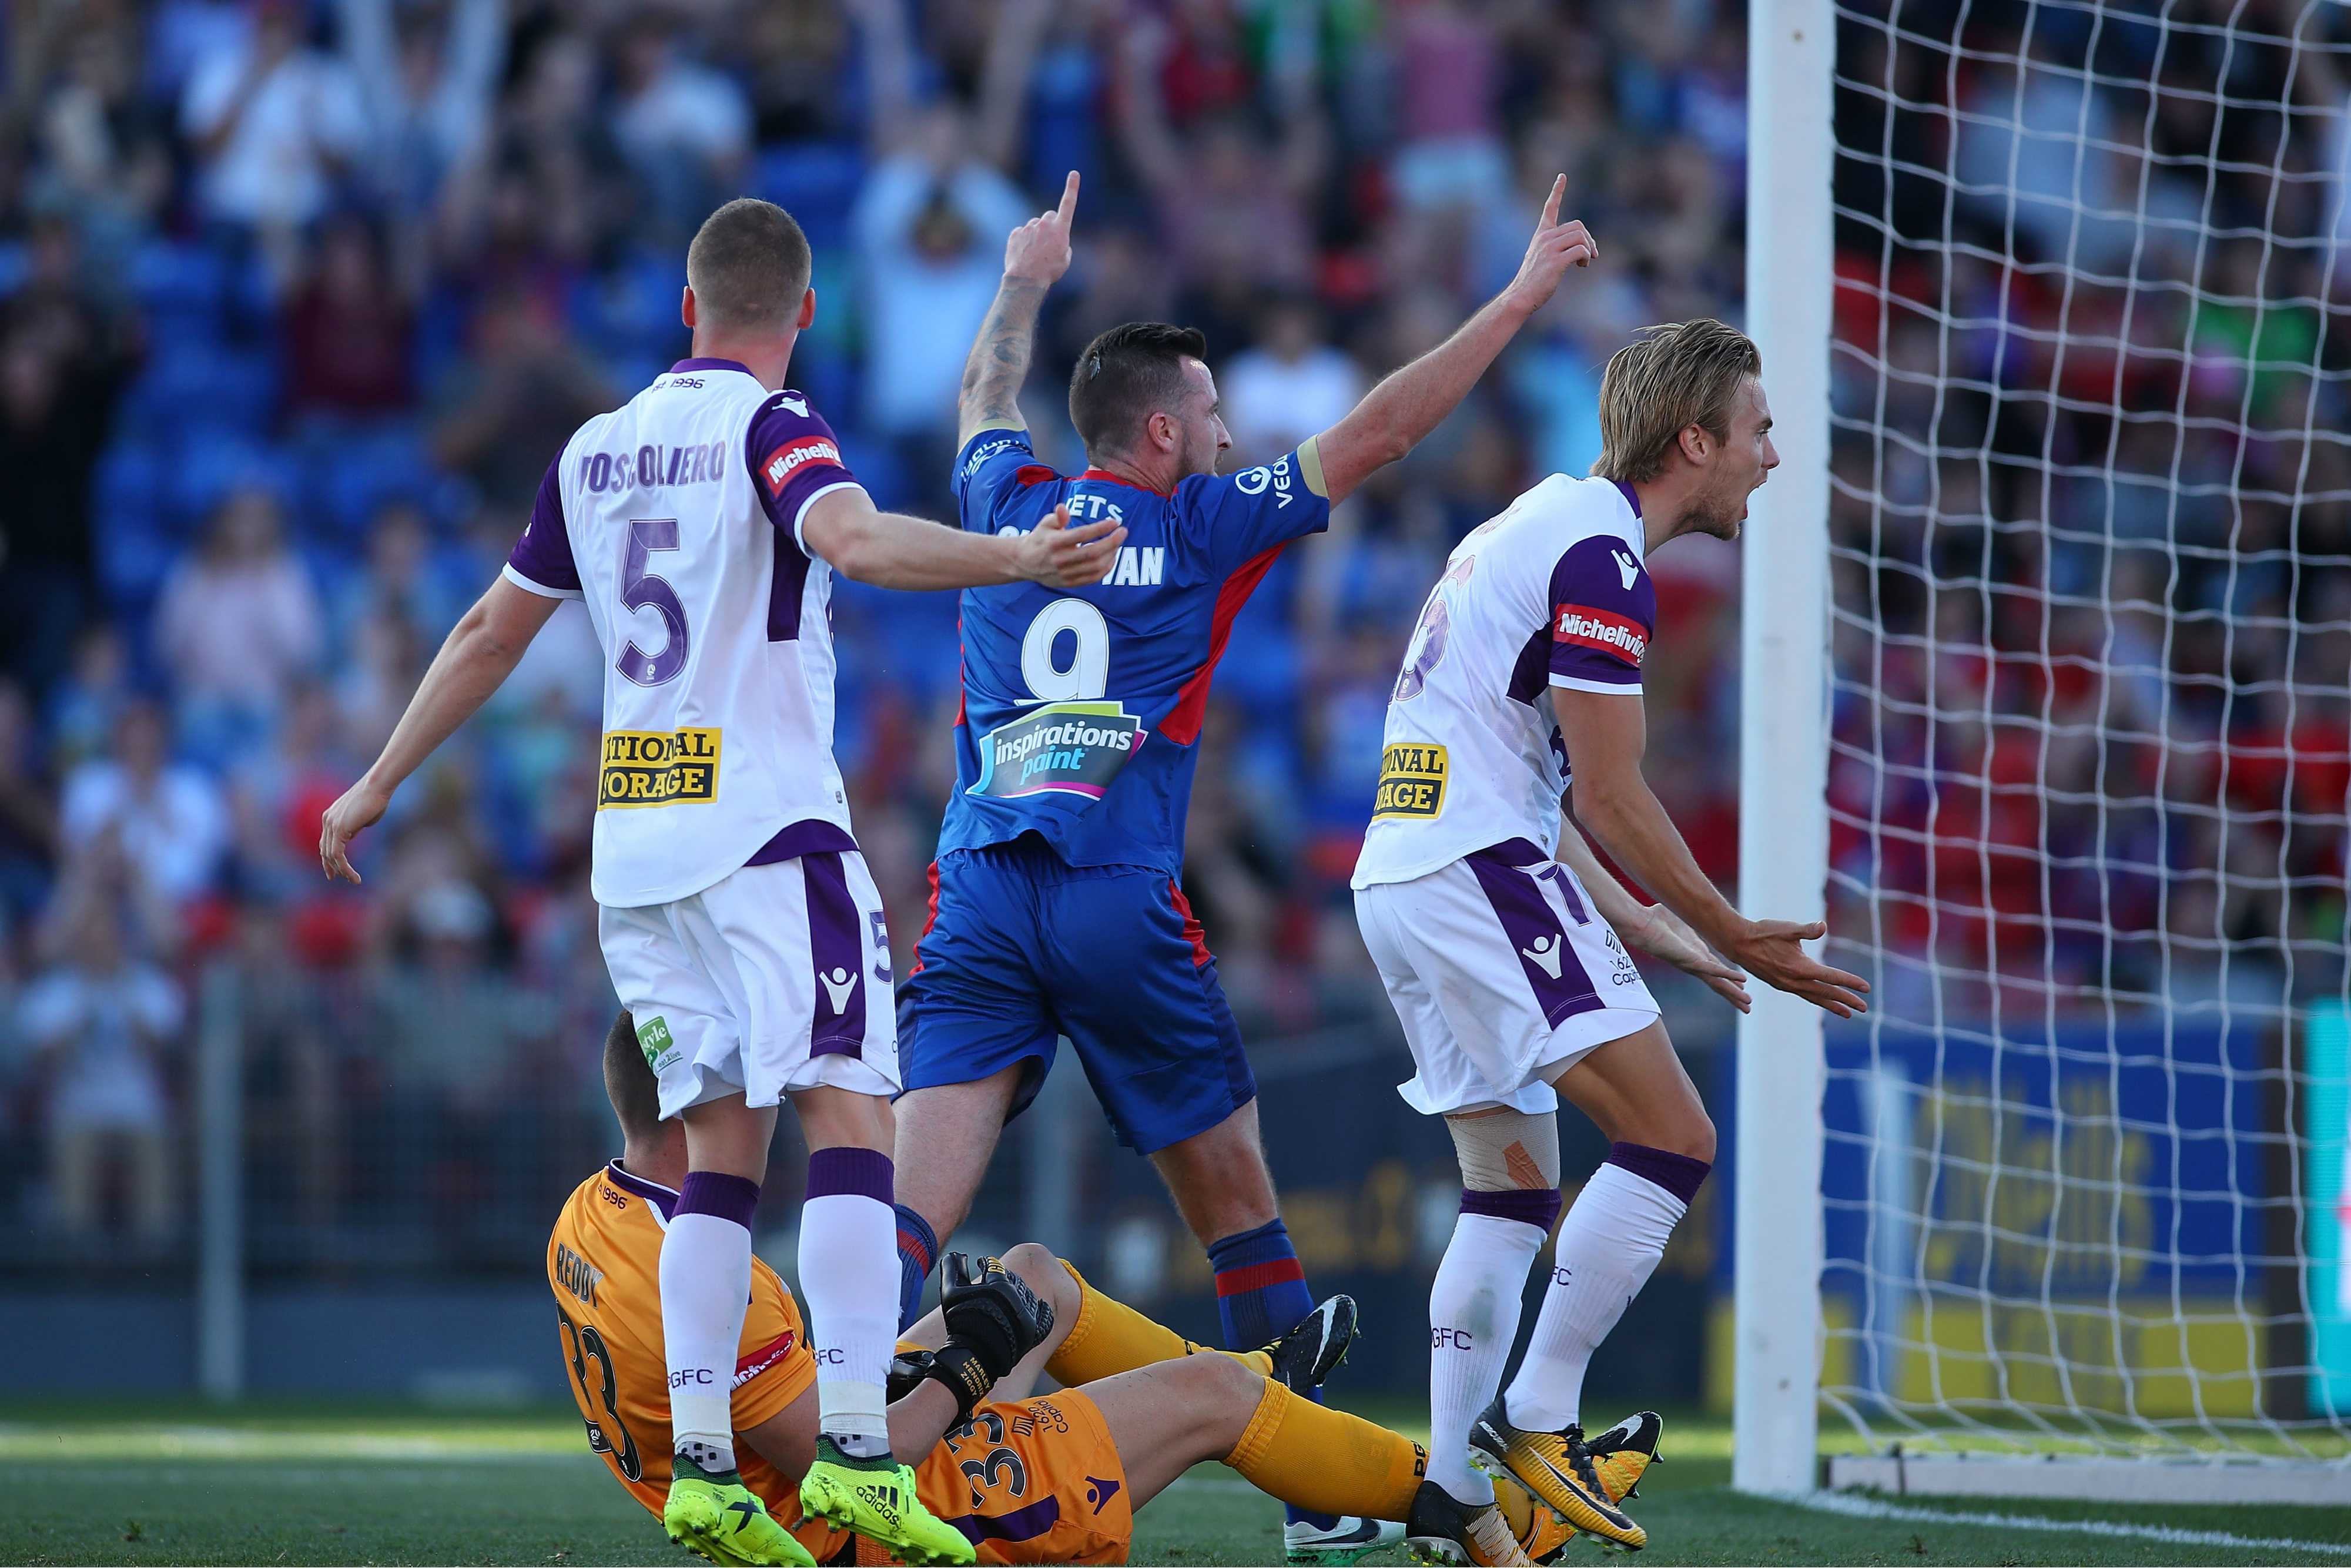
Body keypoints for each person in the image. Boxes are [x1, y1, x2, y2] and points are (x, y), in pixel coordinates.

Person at [317, 197, 1124, 1568]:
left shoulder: (591, 449)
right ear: (799, 317)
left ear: (686, 309)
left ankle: (704, 1467)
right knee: (854, 1111)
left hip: (634, 849)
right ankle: (863, 1452)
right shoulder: (774, 424)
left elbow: (486, 627)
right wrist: (1017, 555)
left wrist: (378, 779)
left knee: (715, 1153)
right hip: (762, 829)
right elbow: (856, 542)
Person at [889, 169, 1593, 1566]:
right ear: (1162, 431)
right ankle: (1310, 1494)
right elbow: (1383, 432)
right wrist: (1513, 301)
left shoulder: (1002, 501)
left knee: (902, 1209)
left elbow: (983, 389)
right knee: (1235, 1207)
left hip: (976, 887)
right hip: (1110, 894)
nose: (1227, 431)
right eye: (1209, 414)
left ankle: (823, 1437)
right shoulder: (1202, 522)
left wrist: (1027, 276)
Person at [1348, 319, 1871, 1556]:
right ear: (1693, 439)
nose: (1771, 458)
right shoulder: (1601, 553)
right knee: (1672, 1132)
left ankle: (1450, 1493)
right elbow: (1615, 790)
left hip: (1405, 870)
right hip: (1473, 867)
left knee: (1508, 1186)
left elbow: (1534, 776)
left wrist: (1647, 924)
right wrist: (1734, 929)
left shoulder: (1533, 520)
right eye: (1757, 431)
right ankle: (1536, 1415)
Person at [551, 1010, 1629, 1567]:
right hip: (878, 1526)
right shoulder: (704, 1283)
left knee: (1036, 1277)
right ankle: (1465, 1502)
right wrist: (967, 1366)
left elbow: (773, 1412)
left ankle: (1257, 1374)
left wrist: (968, 1337)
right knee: (1211, 1400)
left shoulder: (599, 1215)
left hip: (790, 1469)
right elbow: (853, 1464)